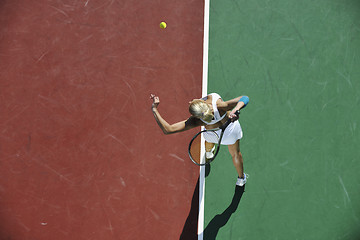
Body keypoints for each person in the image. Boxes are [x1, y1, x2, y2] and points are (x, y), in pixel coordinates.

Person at [150, 93, 249, 186]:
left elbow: (168, 129)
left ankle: (209, 153)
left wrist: (154, 109)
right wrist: (235, 109)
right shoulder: (219, 105)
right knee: (235, 154)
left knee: (209, 139)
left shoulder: (196, 121)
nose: (189, 102)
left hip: (212, 135)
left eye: (191, 103)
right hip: (230, 133)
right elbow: (244, 98)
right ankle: (241, 178)